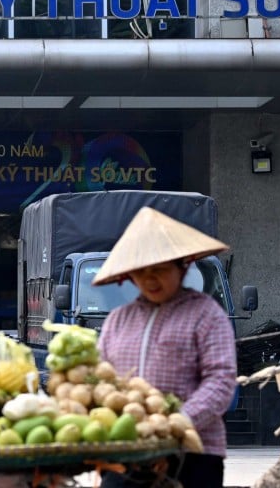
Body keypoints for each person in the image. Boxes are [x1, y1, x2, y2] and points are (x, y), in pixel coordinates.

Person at [93, 207, 237, 488]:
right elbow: (101, 381)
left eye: (159, 269)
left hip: (194, 453)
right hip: (129, 451)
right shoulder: (118, 320)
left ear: (182, 267)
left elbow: (221, 381)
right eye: (141, 271)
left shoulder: (206, 314)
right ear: (129, 275)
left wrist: (177, 422)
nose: (149, 279)